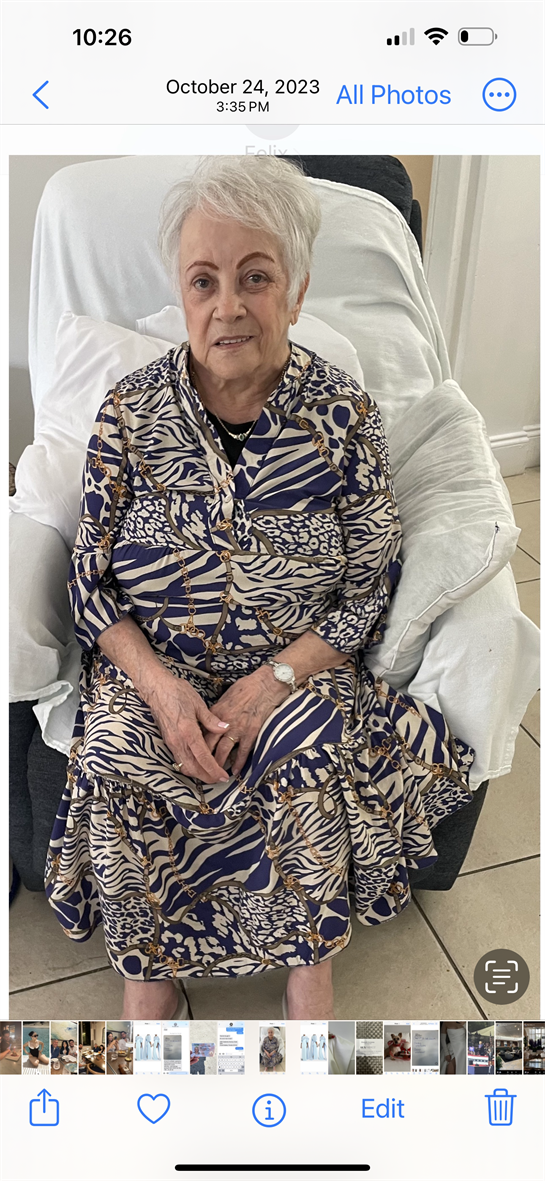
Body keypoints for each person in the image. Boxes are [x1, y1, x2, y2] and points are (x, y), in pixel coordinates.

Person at [45, 155, 474, 1020]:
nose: (227, 305)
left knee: (306, 737)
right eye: (203, 280)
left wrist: (273, 679)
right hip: (152, 666)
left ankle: (307, 965)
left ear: (296, 288)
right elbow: (89, 583)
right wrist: (163, 691)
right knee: (122, 742)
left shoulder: (341, 416)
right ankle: (150, 967)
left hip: (294, 668)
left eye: (255, 277)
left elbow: (366, 588)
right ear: (181, 289)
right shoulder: (128, 413)